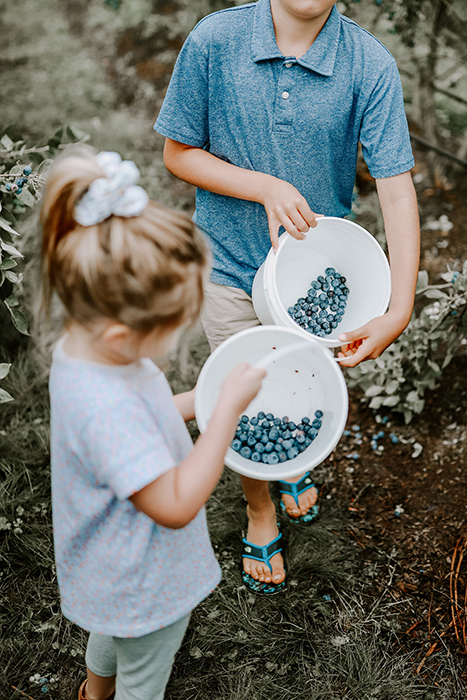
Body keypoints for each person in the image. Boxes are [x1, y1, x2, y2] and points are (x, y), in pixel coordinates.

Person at [154, 0, 420, 594]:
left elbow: (396, 190)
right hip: (231, 265)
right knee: (246, 399)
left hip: (308, 284)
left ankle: (291, 466)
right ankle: (259, 509)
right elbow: (178, 152)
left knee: (297, 387)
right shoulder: (215, 41)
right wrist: (266, 187)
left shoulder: (368, 65)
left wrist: (398, 307)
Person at [38, 146, 265, 700]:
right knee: (145, 675)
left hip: (106, 568)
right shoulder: (107, 404)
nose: (175, 342)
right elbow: (175, 502)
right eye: (170, 331)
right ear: (123, 335)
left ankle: (94, 693)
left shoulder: (84, 354)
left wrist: (202, 398)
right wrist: (225, 417)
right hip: (144, 581)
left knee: (111, 632)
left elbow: (144, 415)